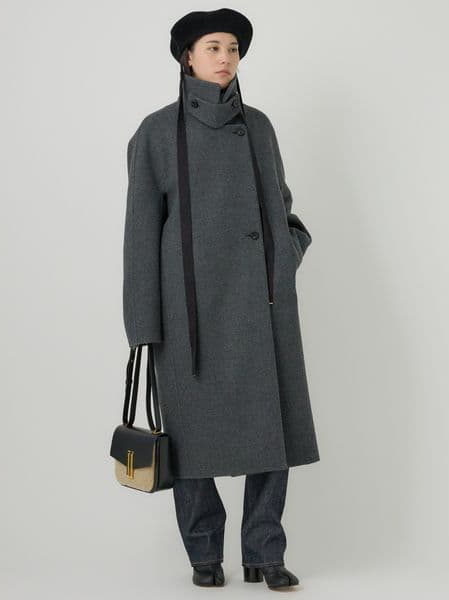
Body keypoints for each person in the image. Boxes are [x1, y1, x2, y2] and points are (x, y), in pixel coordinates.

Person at [122, 8, 320, 590]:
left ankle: (265, 552)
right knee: (189, 441)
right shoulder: (156, 132)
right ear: (188, 56)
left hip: (261, 306)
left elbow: (281, 207)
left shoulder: (258, 127)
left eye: (232, 48)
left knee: (272, 433)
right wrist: (143, 327)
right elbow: (140, 236)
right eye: (213, 46)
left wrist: (283, 256)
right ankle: (204, 554)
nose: (226, 57)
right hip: (187, 316)